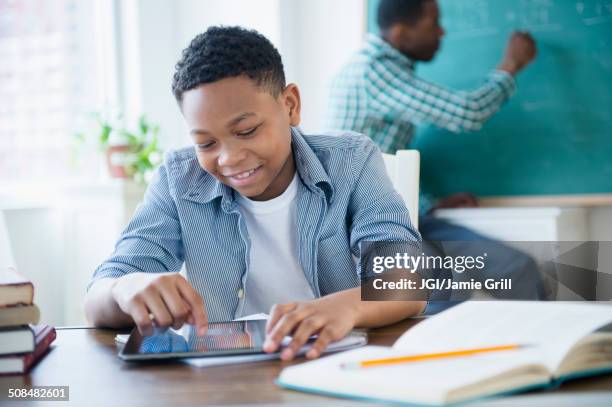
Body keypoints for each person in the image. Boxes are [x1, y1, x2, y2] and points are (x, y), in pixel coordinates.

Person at [84, 26, 423, 361]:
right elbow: (98, 298)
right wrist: (123, 288)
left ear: (290, 105)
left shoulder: (352, 161)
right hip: (226, 379)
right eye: (206, 143)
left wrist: (344, 307)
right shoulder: (178, 179)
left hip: (334, 367)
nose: (229, 158)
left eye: (246, 130)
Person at [326, 0, 545, 310]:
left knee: (517, 269)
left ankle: (548, 350)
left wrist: (429, 203)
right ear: (402, 32)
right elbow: (467, 112)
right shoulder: (373, 71)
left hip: (412, 216)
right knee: (445, 292)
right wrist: (511, 64)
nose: (442, 31)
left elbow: (384, 166)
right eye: (433, 23)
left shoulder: (387, 70)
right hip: (369, 228)